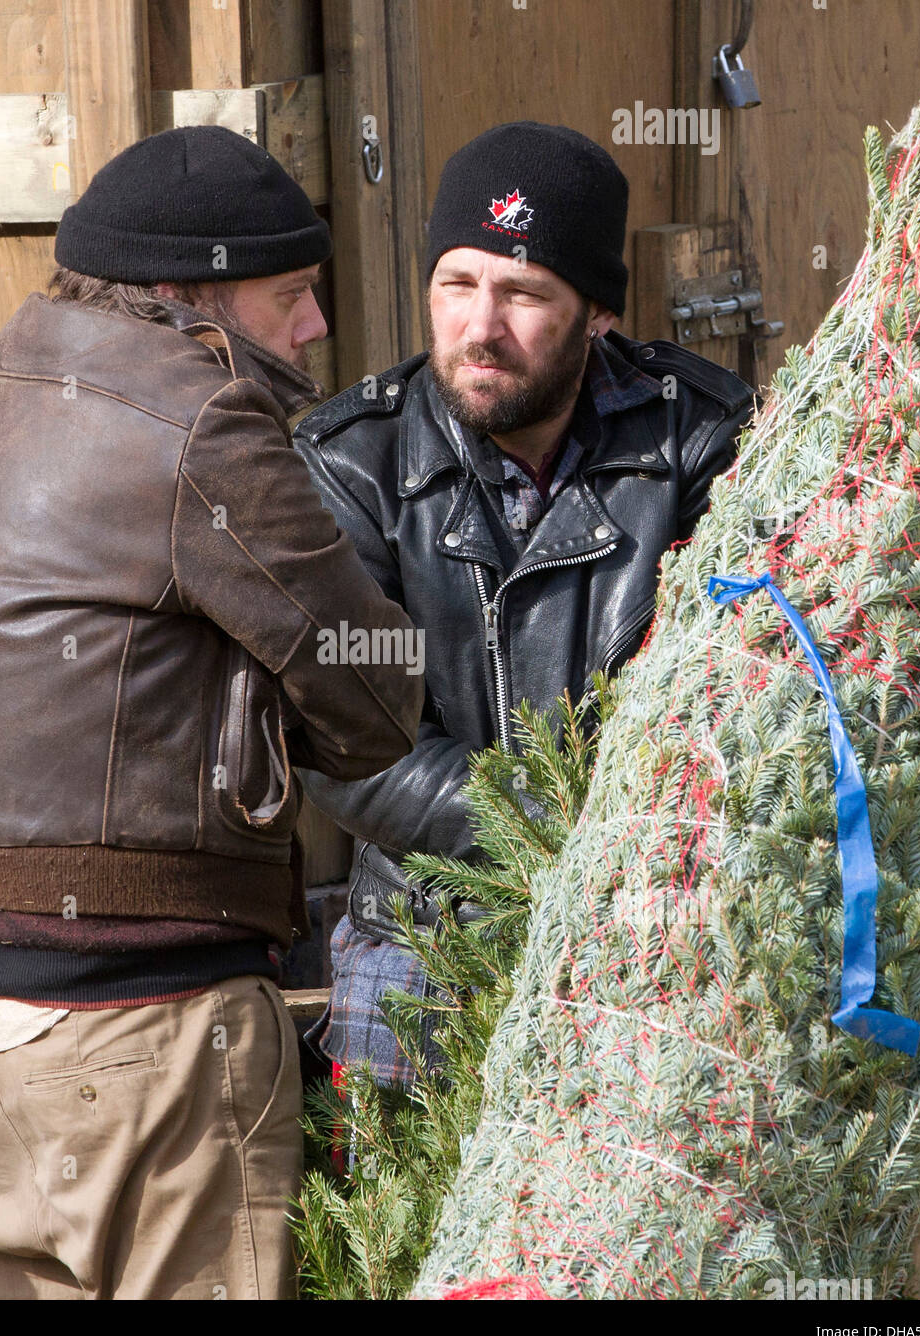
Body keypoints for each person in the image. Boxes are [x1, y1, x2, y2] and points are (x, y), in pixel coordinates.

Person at [0, 125, 425, 1299]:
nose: (314, 329)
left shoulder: (3, 375)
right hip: (147, 1031)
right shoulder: (200, 416)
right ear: (195, 293)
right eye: (289, 295)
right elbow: (374, 696)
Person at [292, 121, 756, 1091]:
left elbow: (747, 693)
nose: (477, 327)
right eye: (455, 284)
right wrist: (553, 823)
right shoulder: (353, 464)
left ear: (595, 314)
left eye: (521, 293)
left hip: (643, 923)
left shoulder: (699, 442)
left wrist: (619, 858)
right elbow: (346, 742)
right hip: (418, 939)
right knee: (407, 1233)